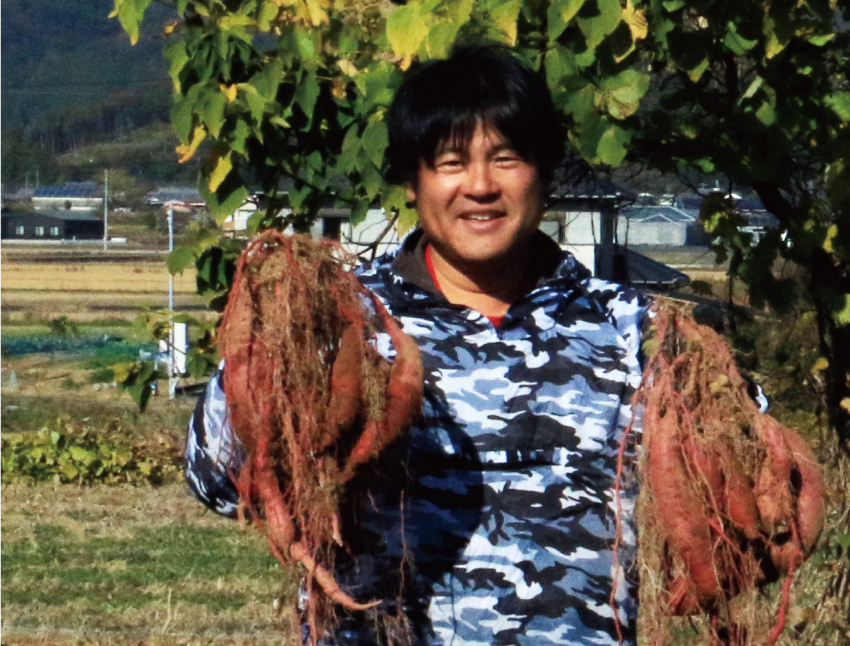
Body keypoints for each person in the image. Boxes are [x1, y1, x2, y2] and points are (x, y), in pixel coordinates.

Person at [185, 44, 651, 646]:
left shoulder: (634, 331)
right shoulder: (341, 319)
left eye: (506, 158)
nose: (480, 186)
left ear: (545, 173)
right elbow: (216, 483)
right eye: (451, 162)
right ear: (412, 182)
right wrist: (271, 349)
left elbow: (749, 503)